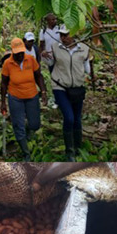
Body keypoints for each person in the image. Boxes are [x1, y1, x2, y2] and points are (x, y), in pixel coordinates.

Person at [48, 26, 91, 161]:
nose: (63, 38)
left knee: (77, 119)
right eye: (61, 35)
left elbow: (87, 69)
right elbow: (50, 62)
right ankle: (69, 151)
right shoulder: (56, 47)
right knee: (69, 118)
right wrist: (45, 56)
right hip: (60, 86)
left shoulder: (84, 49)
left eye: (66, 35)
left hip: (77, 88)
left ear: (73, 34)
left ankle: (77, 147)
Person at [1, 38, 47, 161]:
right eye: (17, 53)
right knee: (18, 125)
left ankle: (27, 131)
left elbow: (39, 76)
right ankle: (26, 153)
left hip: (31, 96)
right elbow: (4, 83)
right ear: (12, 52)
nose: (20, 55)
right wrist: (3, 103)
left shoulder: (30, 59)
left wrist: (43, 91)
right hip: (15, 97)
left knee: (35, 124)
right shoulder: (7, 64)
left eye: (21, 52)